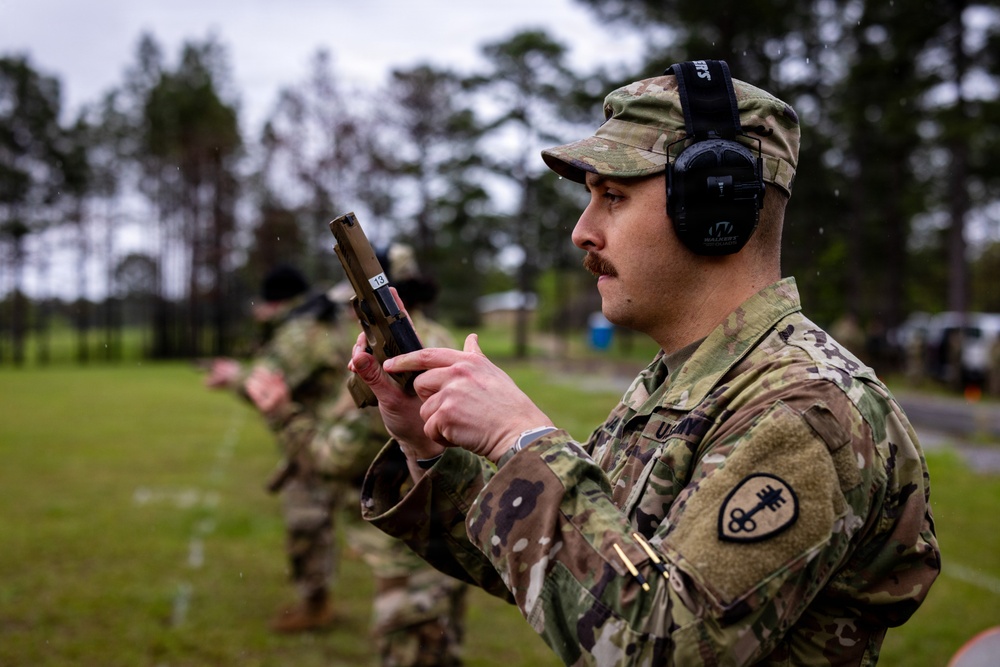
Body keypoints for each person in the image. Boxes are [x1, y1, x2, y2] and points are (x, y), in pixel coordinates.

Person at [350, 60, 940, 665]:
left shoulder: (807, 409)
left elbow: (658, 646)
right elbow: (576, 585)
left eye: (613, 196)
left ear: (714, 205)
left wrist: (520, 440)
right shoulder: (679, 381)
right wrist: (427, 448)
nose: (582, 231)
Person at [246, 245, 468, 666]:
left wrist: (281, 414)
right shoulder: (437, 339)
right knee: (442, 641)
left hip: (412, 543)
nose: (350, 314)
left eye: (357, 302)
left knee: (412, 649)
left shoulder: (393, 363)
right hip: (452, 527)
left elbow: (334, 459)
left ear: (380, 303)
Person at [205, 263, 355, 632]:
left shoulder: (297, 334)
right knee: (320, 519)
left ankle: (315, 605)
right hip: (332, 433)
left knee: (306, 522)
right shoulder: (323, 321)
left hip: (309, 438)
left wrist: (233, 377)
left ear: (276, 302)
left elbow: (266, 387)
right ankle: (318, 598)